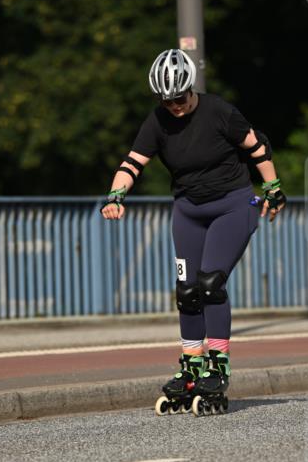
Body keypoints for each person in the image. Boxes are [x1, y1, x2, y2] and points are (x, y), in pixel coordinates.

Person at [100, 48, 286, 413]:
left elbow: (258, 147)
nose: (175, 107)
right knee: (186, 291)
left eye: (180, 98)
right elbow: (132, 162)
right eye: (167, 101)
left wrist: (274, 189)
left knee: (210, 283)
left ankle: (217, 367)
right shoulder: (157, 121)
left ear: (191, 88)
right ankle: (191, 366)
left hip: (233, 206)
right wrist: (115, 195)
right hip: (188, 210)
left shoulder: (219, 112)